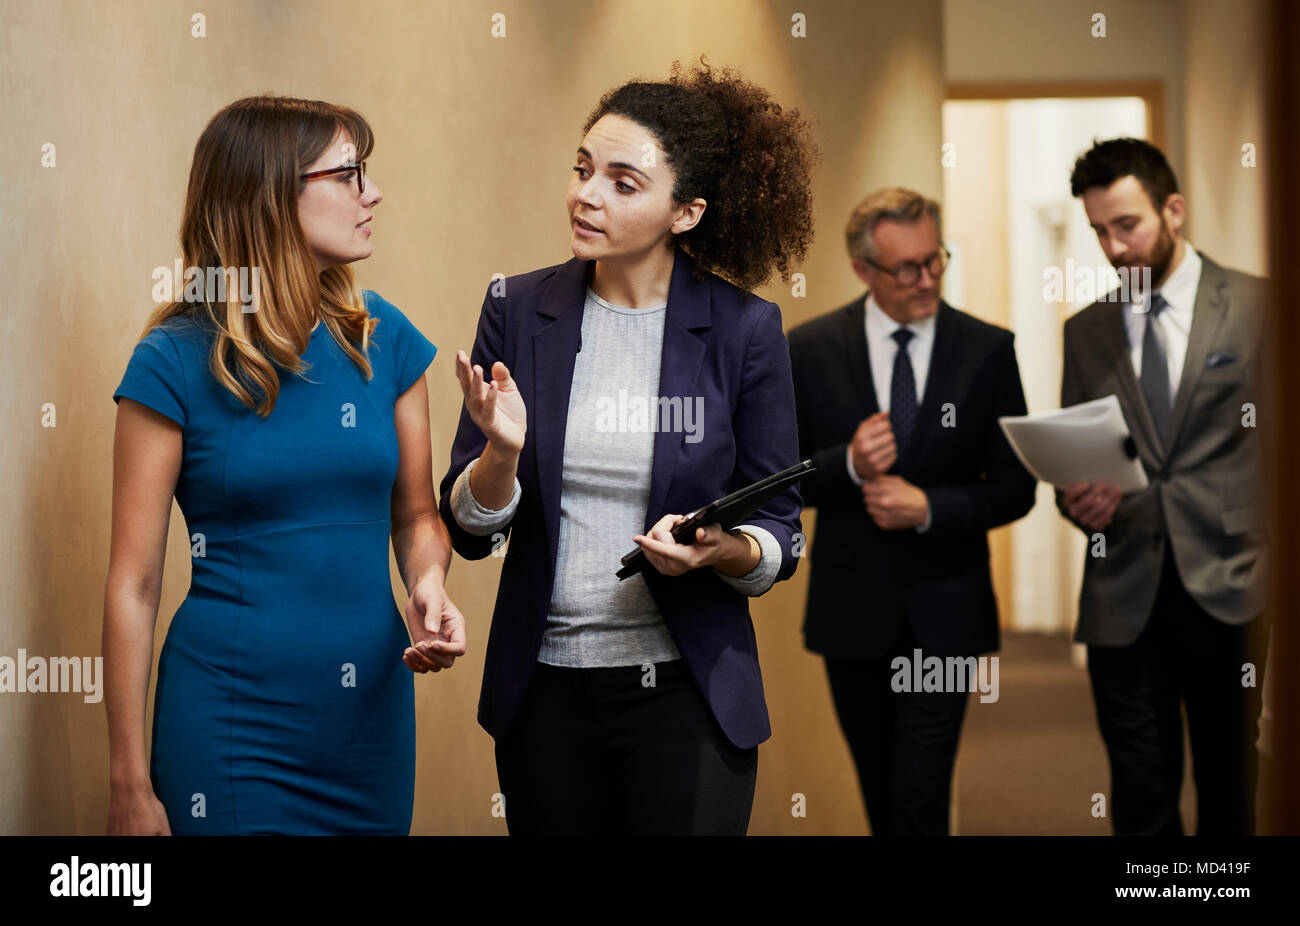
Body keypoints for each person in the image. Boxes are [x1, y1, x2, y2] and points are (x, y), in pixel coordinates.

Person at [438, 58, 815, 835]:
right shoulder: (516, 307)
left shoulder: (745, 331)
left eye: (622, 181)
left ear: (686, 212)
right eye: (582, 170)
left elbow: (781, 531)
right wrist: (500, 458)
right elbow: (469, 533)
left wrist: (719, 552)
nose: (586, 194)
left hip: (688, 693)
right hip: (543, 694)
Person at [103, 94, 465, 835]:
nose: (374, 193)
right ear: (270, 194)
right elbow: (134, 584)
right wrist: (129, 783)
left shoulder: (385, 339)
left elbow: (418, 516)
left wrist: (428, 586)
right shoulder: (172, 360)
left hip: (370, 723)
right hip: (234, 728)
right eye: (349, 175)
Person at [788, 187, 1036, 835]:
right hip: (852, 615)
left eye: (936, 260)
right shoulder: (810, 348)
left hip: (947, 611)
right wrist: (847, 463)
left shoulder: (987, 350)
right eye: (907, 268)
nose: (926, 280)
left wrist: (930, 506)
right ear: (863, 269)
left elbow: (1017, 486)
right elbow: (776, 480)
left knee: (920, 798)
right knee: (880, 793)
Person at [1058, 137, 1268, 835]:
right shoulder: (1085, 332)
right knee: (1140, 792)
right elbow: (1075, 466)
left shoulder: (1258, 307)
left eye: (1127, 225)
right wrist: (1076, 501)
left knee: (1231, 781)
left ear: (1173, 209)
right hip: (1122, 591)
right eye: (1099, 231)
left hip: (1232, 583)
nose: (1114, 247)